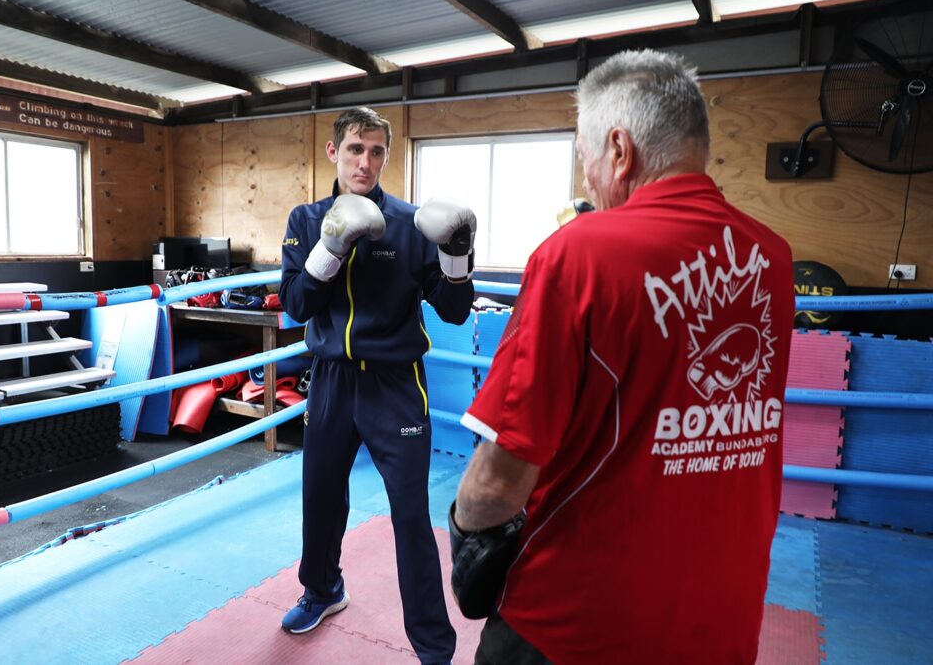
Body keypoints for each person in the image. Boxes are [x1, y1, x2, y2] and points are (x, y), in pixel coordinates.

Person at [449, 49, 795, 664]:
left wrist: (466, 531)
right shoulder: (771, 258)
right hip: (723, 620)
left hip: (574, 625)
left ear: (619, 149)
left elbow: (501, 477)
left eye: (585, 160)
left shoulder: (578, 256)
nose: (588, 182)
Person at [279, 106, 475, 665]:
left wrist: (457, 251)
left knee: (410, 514)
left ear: (387, 156)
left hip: (396, 385)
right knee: (320, 498)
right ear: (333, 152)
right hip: (332, 382)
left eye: (376, 151)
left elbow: (457, 311)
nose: (365, 161)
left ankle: (434, 648)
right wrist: (331, 246)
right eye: (354, 149)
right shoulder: (306, 219)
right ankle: (323, 590)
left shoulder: (414, 226)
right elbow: (296, 305)